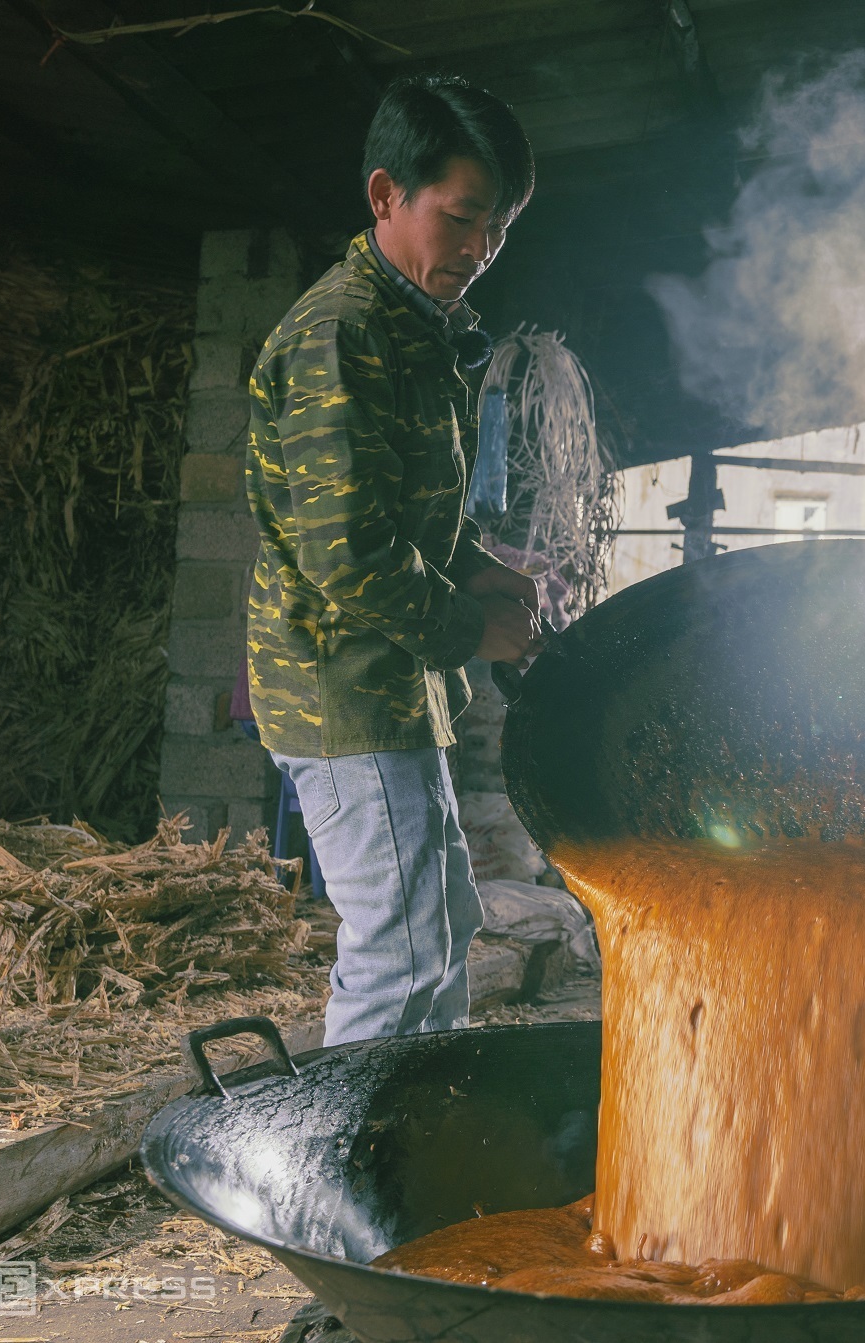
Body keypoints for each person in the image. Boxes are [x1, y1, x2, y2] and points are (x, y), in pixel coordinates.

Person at [243, 75, 541, 1047]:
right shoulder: (342, 334)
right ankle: (344, 1180)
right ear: (385, 195)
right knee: (398, 947)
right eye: (460, 219)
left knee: (441, 923)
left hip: (388, 682)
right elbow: (350, 553)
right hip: (344, 687)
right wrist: (471, 626)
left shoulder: (418, 332)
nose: (479, 250)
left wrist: (480, 563)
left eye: (496, 228)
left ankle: (422, 1139)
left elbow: (411, 515)